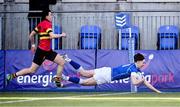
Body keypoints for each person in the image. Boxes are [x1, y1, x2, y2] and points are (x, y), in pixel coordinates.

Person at [6, 9, 66, 87]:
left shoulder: (40, 24)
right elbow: (52, 36)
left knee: (61, 62)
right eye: (50, 15)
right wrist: (62, 34)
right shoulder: (47, 24)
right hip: (42, 52)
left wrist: (33, 45)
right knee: (32, 70)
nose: (52, 16)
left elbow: (31, 34)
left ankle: (57, 81)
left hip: (47, 51)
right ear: (46, 16)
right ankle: (10, 76)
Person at [61, 53, 161, 93]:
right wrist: (141, 81)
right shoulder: (134, 70)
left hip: (106, 70)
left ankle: (68, 59)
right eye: (143, 61)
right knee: (83, 82)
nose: (144, 63)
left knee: (83, 72)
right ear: (138, 61)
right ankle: (63, 77)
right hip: (106, 76)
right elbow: (135, 83)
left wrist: (157, 91)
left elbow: (146, 83)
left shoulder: (135, 68)